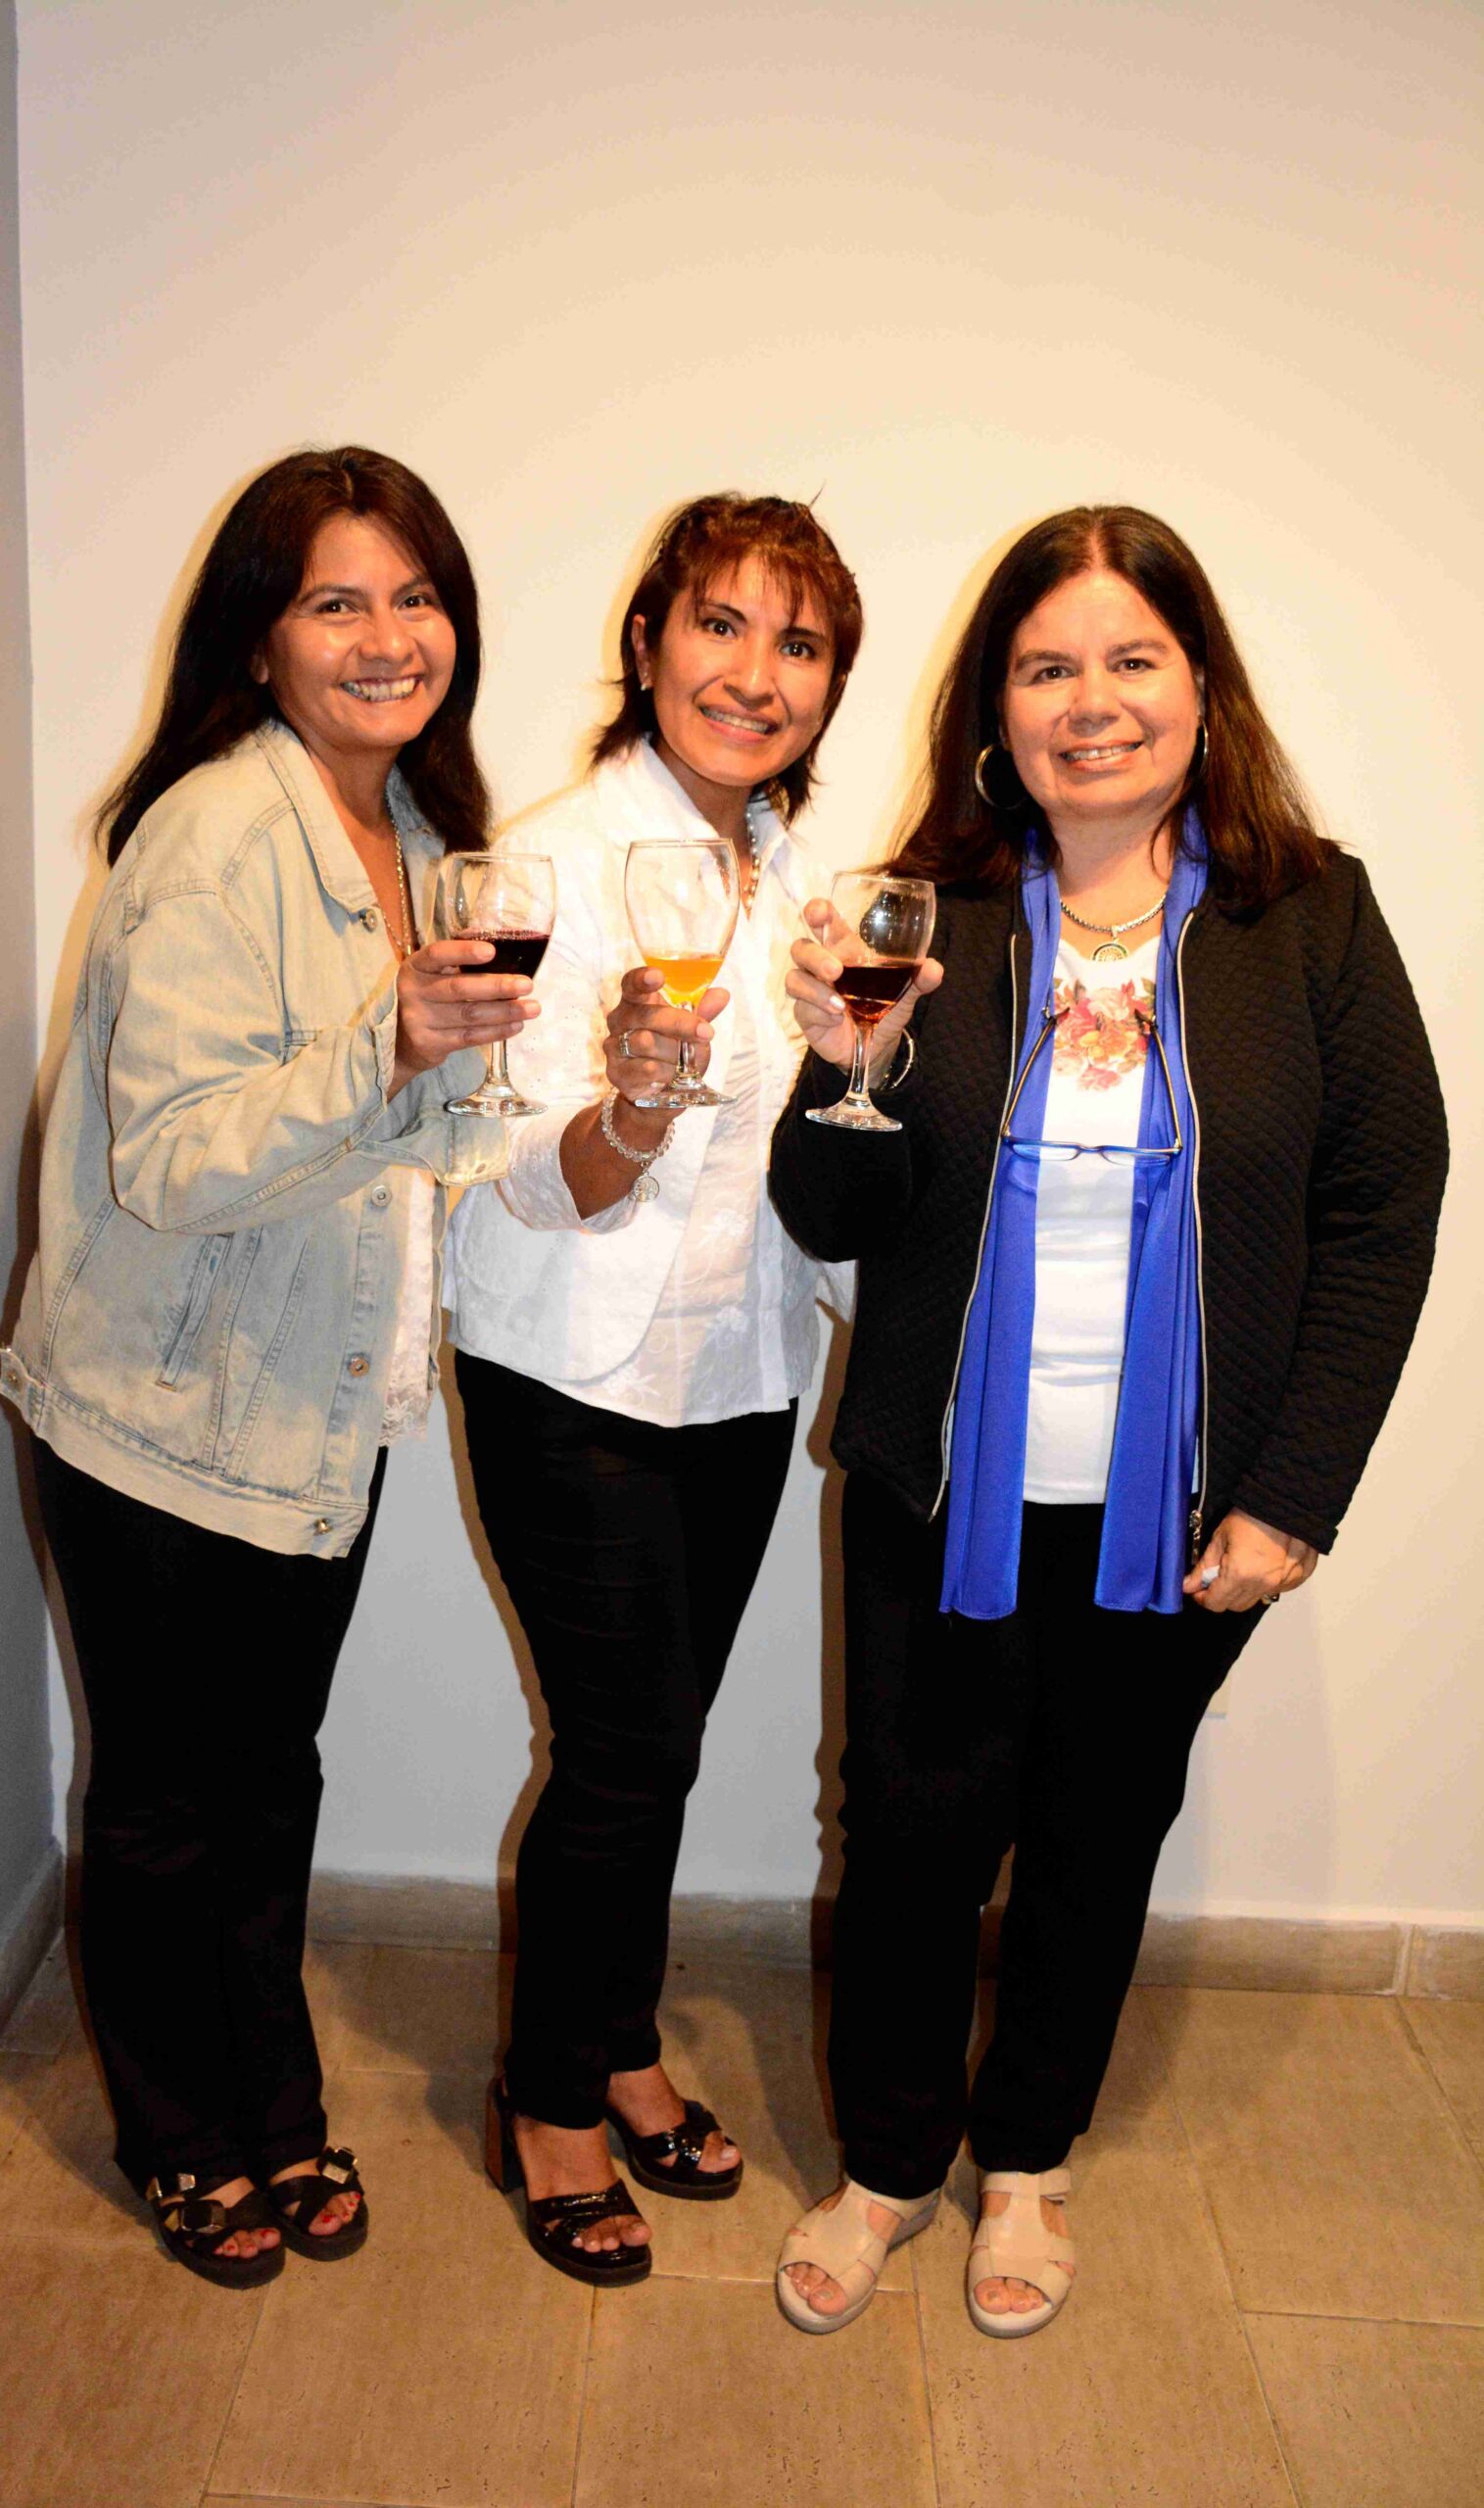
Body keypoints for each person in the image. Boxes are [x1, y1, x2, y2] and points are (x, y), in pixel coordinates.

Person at [768, 505, 1447, 2339]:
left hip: (1186, 1506)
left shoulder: (1310, 915)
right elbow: (828, 1214)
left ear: (1199, 683)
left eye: (1132, 659)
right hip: (939, 1487)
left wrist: (1296, 1491)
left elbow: (1386, 1205)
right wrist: (849, 1070)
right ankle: (890, 2163)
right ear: (996, 706)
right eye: (1047, 666)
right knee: (908, 1839)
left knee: (1098, 1833)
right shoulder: (932, 909)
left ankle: (1029, 2159)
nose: (1092, 702)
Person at [0, 448, 535, 2286]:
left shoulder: (426, 842)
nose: (388, 636)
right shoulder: (218, 833)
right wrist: (393, 1047)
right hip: (156, 1413)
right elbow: (172, 1158)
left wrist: (543, 1086)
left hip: (315, 1403)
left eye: (415, 596)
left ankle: (275, 2098)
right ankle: (184, 2134)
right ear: (262, 638)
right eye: (336, 601)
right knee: (166, 1800)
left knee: (266, 1775)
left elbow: (417, 1135)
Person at [445, 494, 865, 2284]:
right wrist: (624, 1104)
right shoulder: (542, 866)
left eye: (800, 643)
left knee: (661, 1744)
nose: (756, 673)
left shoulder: (801, 885)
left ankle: (617, 2043)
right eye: (722, 624)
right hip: (571, 1376)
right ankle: (548, 2100)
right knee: (622, 1753)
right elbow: (507, 1168)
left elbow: (815, 1161)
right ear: (648, 641)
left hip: (740, 1376)